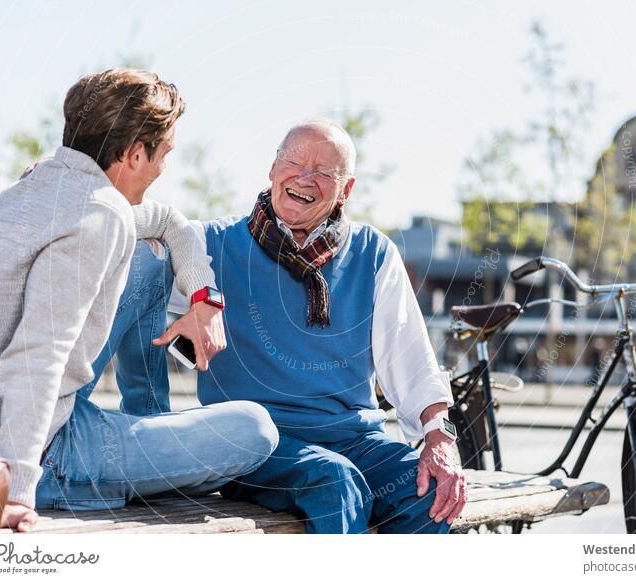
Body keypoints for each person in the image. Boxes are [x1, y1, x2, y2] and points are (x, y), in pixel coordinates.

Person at [0, 69, 277, 533]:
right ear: (136, 154)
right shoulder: (100, 214)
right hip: (38, 454)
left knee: (151, 259)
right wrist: (12, 490)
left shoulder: (43, 186)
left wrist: (204, 296)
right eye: (165, 155)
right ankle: (111, 465)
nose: (163, 169)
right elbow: (36, 357)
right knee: (256, 429)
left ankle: (148, 421)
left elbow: (171, 223)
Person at [166, 119, 466, 533]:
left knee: (429, 491)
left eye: (326, 172)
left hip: (353, 440)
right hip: (254, 445)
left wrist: (440, 438)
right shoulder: (206, 246)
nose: (305, 178)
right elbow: (134, 247)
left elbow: (411, 356)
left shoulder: (373, 253)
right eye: (294, 160)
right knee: (336, 482)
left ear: (347, 190)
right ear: (272, 168)